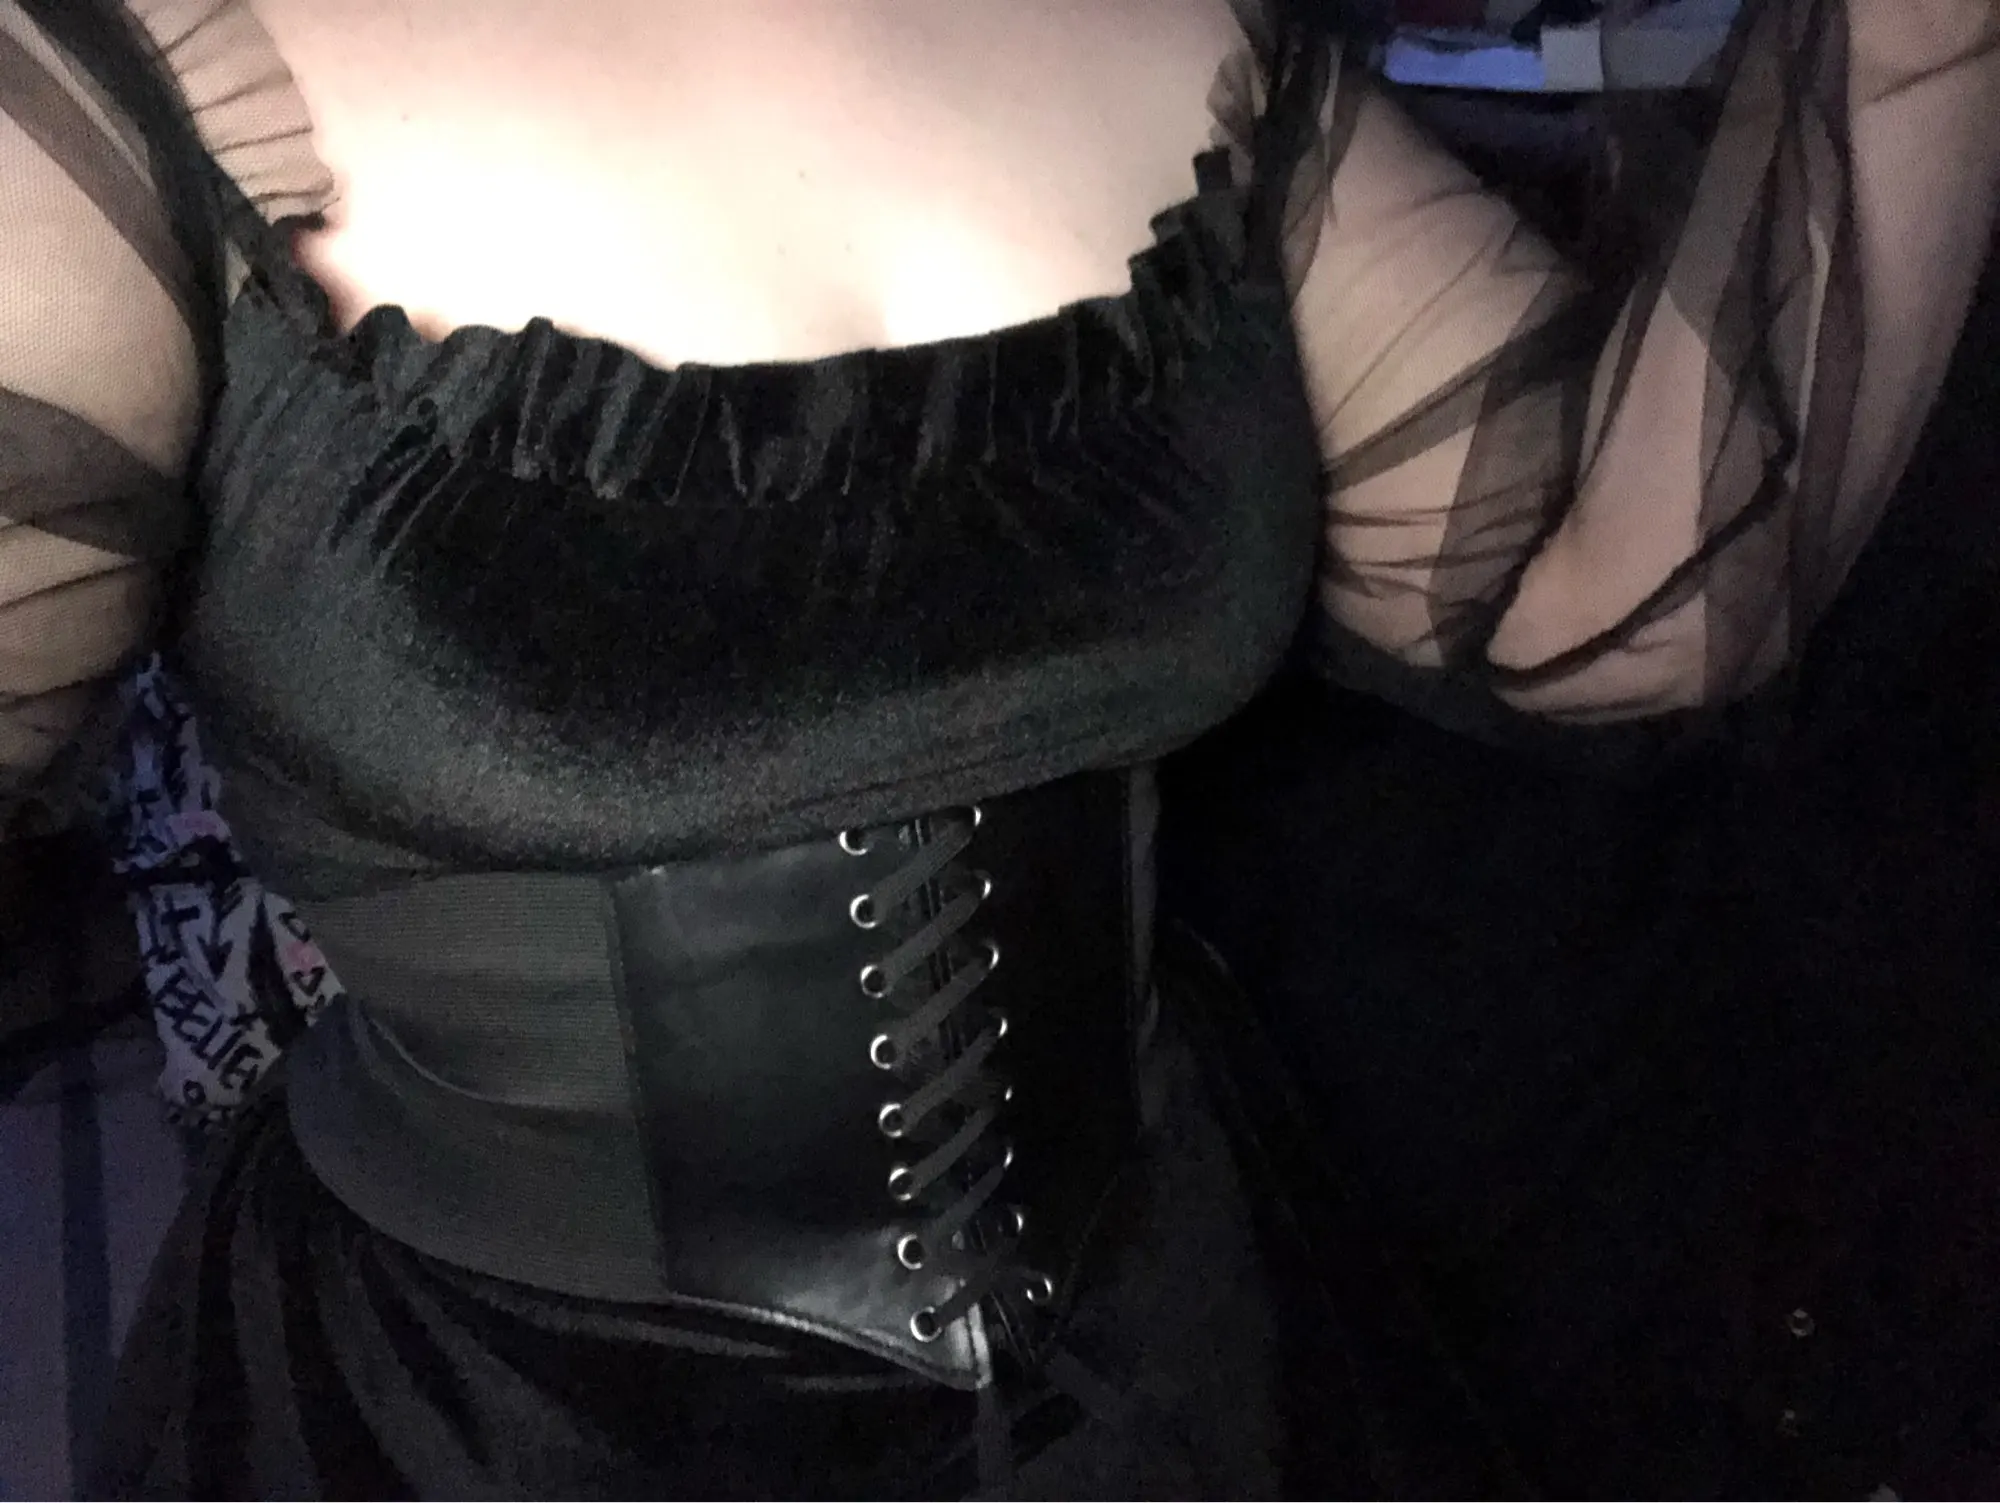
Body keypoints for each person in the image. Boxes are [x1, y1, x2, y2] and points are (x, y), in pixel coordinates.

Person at [0, 0, 1992, 1494]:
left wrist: (1913, 44)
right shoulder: (99, 89)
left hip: (1184, 1352)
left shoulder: (1177, 25)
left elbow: (1602, 592)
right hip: (491, 1424)